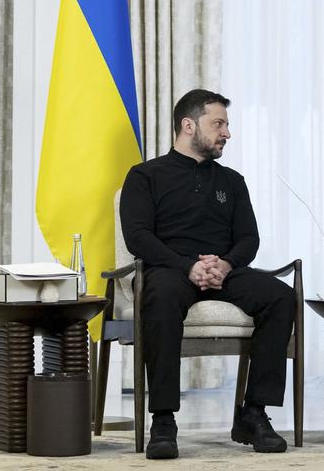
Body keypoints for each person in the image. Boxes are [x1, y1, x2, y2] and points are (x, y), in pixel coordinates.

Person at [120, 89, 295, 459]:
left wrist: (225, 265)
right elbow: (138, 237)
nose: (226, 133)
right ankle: (163, 419)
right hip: (169, 270)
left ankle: (254, 412)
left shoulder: (232, 181)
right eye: (218, 123)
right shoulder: (144, 176)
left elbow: (249, 238)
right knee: (160, 295)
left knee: (279, 295)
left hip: (224, 272)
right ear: (188, 125)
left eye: (226, 125)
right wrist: (189, 266)